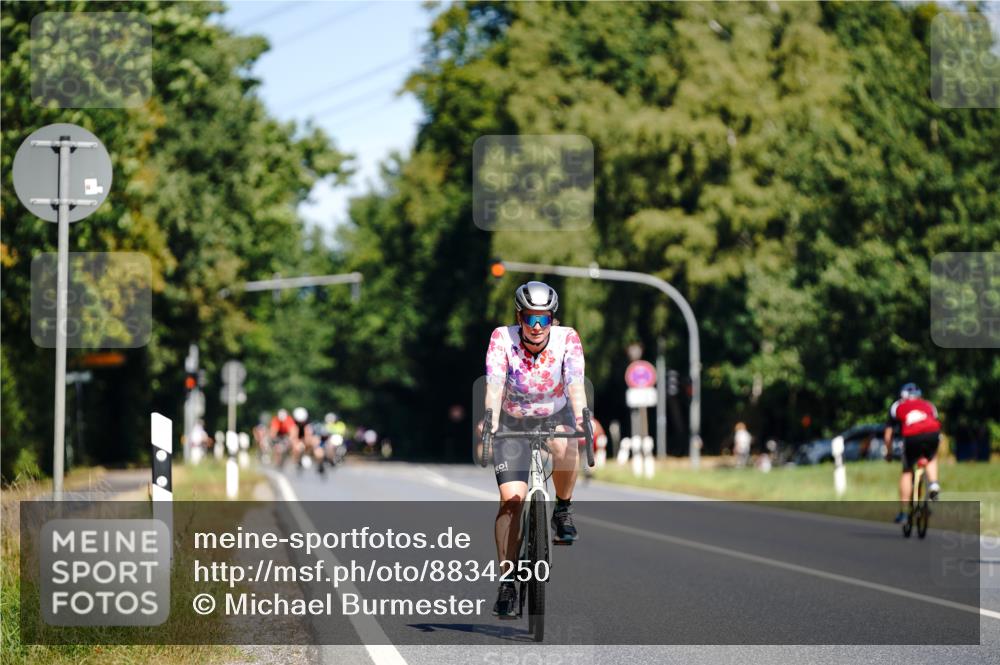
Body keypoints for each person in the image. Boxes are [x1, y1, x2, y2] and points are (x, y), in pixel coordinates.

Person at [482, 281, 590, 618]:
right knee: (512, 499)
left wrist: (583, 419)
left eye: (544, 319)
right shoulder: (503, 338)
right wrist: (490, 422)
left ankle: (562, 509)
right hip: (512, 421)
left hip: (553, 414)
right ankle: (507, 582)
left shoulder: (567, 339)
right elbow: (494, 385)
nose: (537, 327)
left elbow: (575, 383)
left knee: (566, 442)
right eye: (531, 318)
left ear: (553, 319)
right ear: (520, 317)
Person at [885, 383, 942, 524]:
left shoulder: (897, 406)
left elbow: (888, 434)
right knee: (931, 457)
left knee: (907, 470)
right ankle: (934, 484)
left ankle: (904, 512)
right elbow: (935, 422)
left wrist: (889, 453)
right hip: (932, 435)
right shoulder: (929, 405)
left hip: (912, 437)